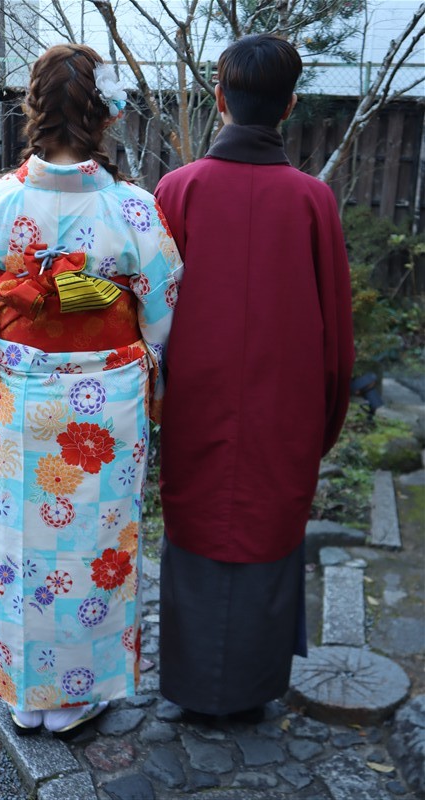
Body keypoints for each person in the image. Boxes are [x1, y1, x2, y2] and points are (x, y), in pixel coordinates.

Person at [0, 44, 183, 736]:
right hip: (106, 406)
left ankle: (25, 693)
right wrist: (148, 381)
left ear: (33, 109)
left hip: (16, 398)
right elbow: (162, 315)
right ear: (104, 117)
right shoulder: (134, 209)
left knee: (17, 547)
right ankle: (79, 692)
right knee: (96, 545)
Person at [155, 34, 355, 721]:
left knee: (196, 528)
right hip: (284, 408)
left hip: (194, 403)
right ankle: (254, 690)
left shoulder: (178, 190)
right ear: (290, 105)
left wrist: (155, 401)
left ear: (219, 98)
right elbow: (336, 335)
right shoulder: (312, 200)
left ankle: (191, 689)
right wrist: (323, 420)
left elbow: (151, 318)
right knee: (268, 529)